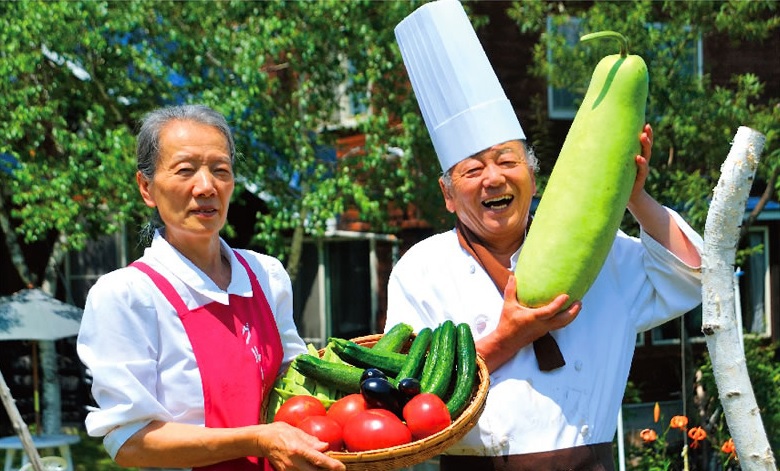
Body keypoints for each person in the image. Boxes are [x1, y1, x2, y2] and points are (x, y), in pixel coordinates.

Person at [386, 1, 703, 470]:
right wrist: (508, 337)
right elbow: (409, 394)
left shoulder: (603, 255)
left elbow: (694, 277)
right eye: (472, 170)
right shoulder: (421, 268)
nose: (492, 179)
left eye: (507, 162)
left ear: (534, 177)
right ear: (448, 195)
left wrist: (632, 195)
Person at [77, 104, 346, 471]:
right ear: (146, 187)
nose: (206, 187)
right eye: (185, 170)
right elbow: (130, 443)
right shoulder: (127, 296)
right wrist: (256, 440)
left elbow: (295, 383)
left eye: (221, 171)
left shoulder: (266, 275)